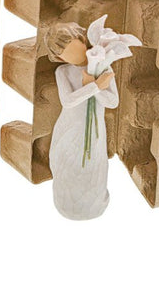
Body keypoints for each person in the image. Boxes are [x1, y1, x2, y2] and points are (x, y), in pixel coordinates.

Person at [44, 22, 119, 220]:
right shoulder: (63, 72)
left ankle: (93, 203)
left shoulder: (103, 66)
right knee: (68, 166)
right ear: (60, 58)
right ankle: (66, 203)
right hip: (69, 130)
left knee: (93, 165)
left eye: (75, 48)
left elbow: (113, 102)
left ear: (83, 40)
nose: (75, 57)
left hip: (94, 132)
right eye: (66, 55)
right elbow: (68, 101)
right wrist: (94, 86)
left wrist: (97, 86)